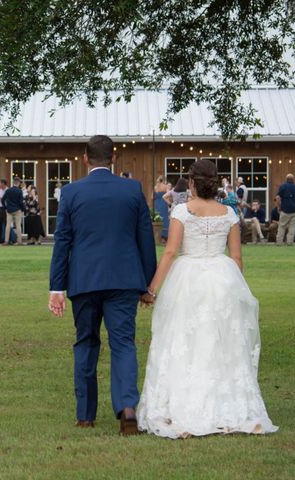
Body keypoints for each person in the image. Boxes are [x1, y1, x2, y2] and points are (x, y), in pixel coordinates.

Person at [137, 159, 278, 439]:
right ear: (215, 183)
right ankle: (224, 405)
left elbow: (169, 253)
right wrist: (234, 288)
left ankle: (183, 405)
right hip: (221, 278)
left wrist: (151, 289)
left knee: (185, 340)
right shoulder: (228, 213)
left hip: (187, 279)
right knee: (220, 342)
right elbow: (236, 258)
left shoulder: (182, 211)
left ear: (191, 182)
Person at [48, 135, 157, 435]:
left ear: (85, 158)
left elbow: (62, 242)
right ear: (113, 157)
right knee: (123, 343)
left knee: (86, 342)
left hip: (83, 280)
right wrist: (148, 284)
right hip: (123, 280)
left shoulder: (70, 192)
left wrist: (56, 288)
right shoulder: (132, 189)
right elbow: (145, 240)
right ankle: (127, 407)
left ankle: (85, 415)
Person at [275, 174, 295, 246]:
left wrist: (278, 206)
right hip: (294, 210)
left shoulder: (283, 187)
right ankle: (290, 242)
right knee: (292, 227)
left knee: (282, 226)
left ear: (286, 179)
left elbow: (278, 197)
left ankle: (279, 242)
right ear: (293, 179)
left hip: (285, 210)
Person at [1, 177, 26, 245]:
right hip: (17, 210)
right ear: (18, 183)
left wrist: (5, 207)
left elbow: (3, 200)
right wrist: (24, 209)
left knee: (8, 226)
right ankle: (19, 241)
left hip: (9, 210)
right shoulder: (19, 191)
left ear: (13, 182)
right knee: (18, 226)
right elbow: (21, 202)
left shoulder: (8, 190)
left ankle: (6, 241)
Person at [153, 175, 169, 243]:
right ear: (164, 180)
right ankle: (164, 237)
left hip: (157, 203)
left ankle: (158, 236)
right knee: (165, 218)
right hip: (164, 203)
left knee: (158, 217)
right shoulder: (165, 186)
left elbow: (152, 197)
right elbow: (168, 194)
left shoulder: (155, 187)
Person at [0, 179, 8, 244]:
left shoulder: (8, 190)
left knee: (6, 224)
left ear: (3, 183)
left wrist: (3, 199)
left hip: (5, 208)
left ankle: (7, 239)